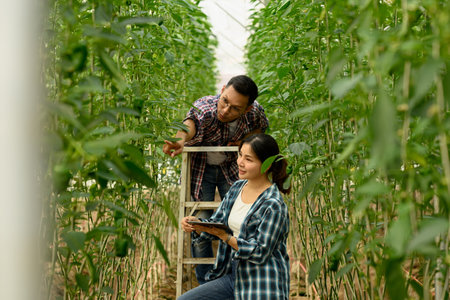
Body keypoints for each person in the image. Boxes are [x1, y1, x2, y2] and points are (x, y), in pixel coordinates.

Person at [163, 75, 269, 284]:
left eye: (235, 108)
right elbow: (190, 123)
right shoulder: (206, 108)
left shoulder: (254, 112)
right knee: (200, 222)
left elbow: (261, 127)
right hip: (202, 169)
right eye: (224, 101)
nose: (225, 110)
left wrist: (245, 140)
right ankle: (206, 284)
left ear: (247, 109)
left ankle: (233, 278)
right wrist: (180, 139)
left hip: (230, 168)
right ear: (222, 90)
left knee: (237, 220)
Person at [179, 133, 291, 300]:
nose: (240, 162)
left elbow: (260, 251)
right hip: (234, 275)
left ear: (266, 165)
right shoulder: (237, 188)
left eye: (249, 159)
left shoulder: (273, 204)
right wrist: (197, 225)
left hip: (262, 282)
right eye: (240, 155)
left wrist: (226, 237)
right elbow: (218, 223)